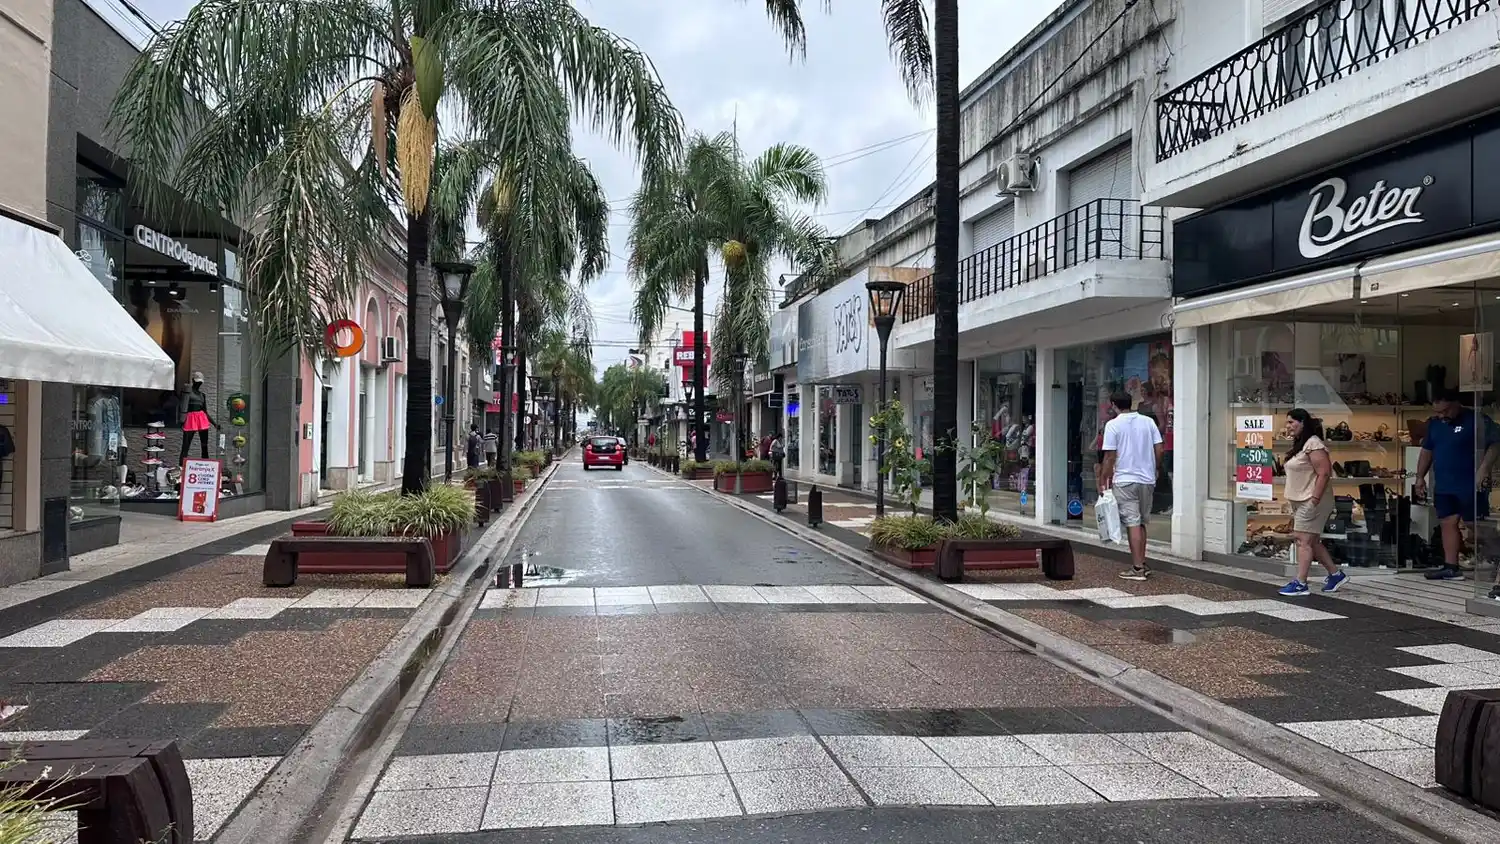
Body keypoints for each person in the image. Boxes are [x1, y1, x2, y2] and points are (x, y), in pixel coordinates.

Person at [1415, 389, 1500, 583]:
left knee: (1474, 524)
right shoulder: (1435, 424)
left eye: (1445, 411)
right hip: (1444, 483)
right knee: (1447, 522)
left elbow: (1496, 444)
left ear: (1456, 404)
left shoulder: (1477, 420)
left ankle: (1495, 557)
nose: (1441, 416)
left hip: (1470, 483)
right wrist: (1419, 477)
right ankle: (1451, 567)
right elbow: (1427, 450)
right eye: (1437, 412)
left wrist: (1484, 469)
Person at [1277, 409, 1346, 596]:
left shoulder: (1314, 444)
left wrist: (1314, 499)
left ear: (1302, 422)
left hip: (1312, 500)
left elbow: (1324, 473)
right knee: (1312, 541)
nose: (1288, 426)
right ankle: (1335, 574)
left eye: (1291, 422)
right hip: (1301, 499)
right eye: (1287, 422)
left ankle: (1301, 583)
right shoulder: (1302, 444)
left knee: (1302, 540)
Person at [1099, 391, 1163, 581]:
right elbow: (1159, 449)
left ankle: (1137, 569)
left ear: (1113, 405)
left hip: (1125, 480)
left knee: (1132, 523)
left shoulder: (1113, 425)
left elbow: (1110, 456)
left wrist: (1103, 479)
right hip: (1147, 479)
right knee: (1141, 522)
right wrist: (1156, 468)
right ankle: (1142, 562)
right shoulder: (1148, 422)